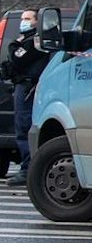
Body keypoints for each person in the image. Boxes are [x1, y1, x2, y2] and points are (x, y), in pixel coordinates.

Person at [4, 10, 51, 186]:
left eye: (27, 18)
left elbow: (17, 59)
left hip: (27, 88)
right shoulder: (30, 40)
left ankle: (27, 170)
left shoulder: (33, 41)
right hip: (25, 87)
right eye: (22, 18)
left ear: (37, 22)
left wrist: (13, 45)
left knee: (24, 128)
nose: (23, 21)